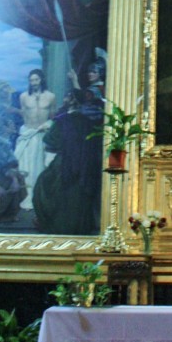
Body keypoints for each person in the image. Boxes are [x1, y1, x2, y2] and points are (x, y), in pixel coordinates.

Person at [32, 61, 105, 234]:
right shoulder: (85, 115)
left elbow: (52, 141)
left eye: (94, 71)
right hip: (85, 155)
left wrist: (74, 82)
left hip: (75, 156)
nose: (90, 74)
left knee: (50, 183)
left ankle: (57, 222)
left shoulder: (71, 115)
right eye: (89, 71)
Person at [14, 69, 56, 211]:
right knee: (24, 166)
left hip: (42, 135)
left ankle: (38, 199)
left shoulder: (50, 96)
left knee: (40, 166)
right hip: (28, 133)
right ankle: (24, 198)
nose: (33, 83)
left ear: (41, 80)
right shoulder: (24, 96)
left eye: (36, 80)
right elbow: (23, 114)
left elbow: (53, 117)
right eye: (31, 80)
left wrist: (47, 125)